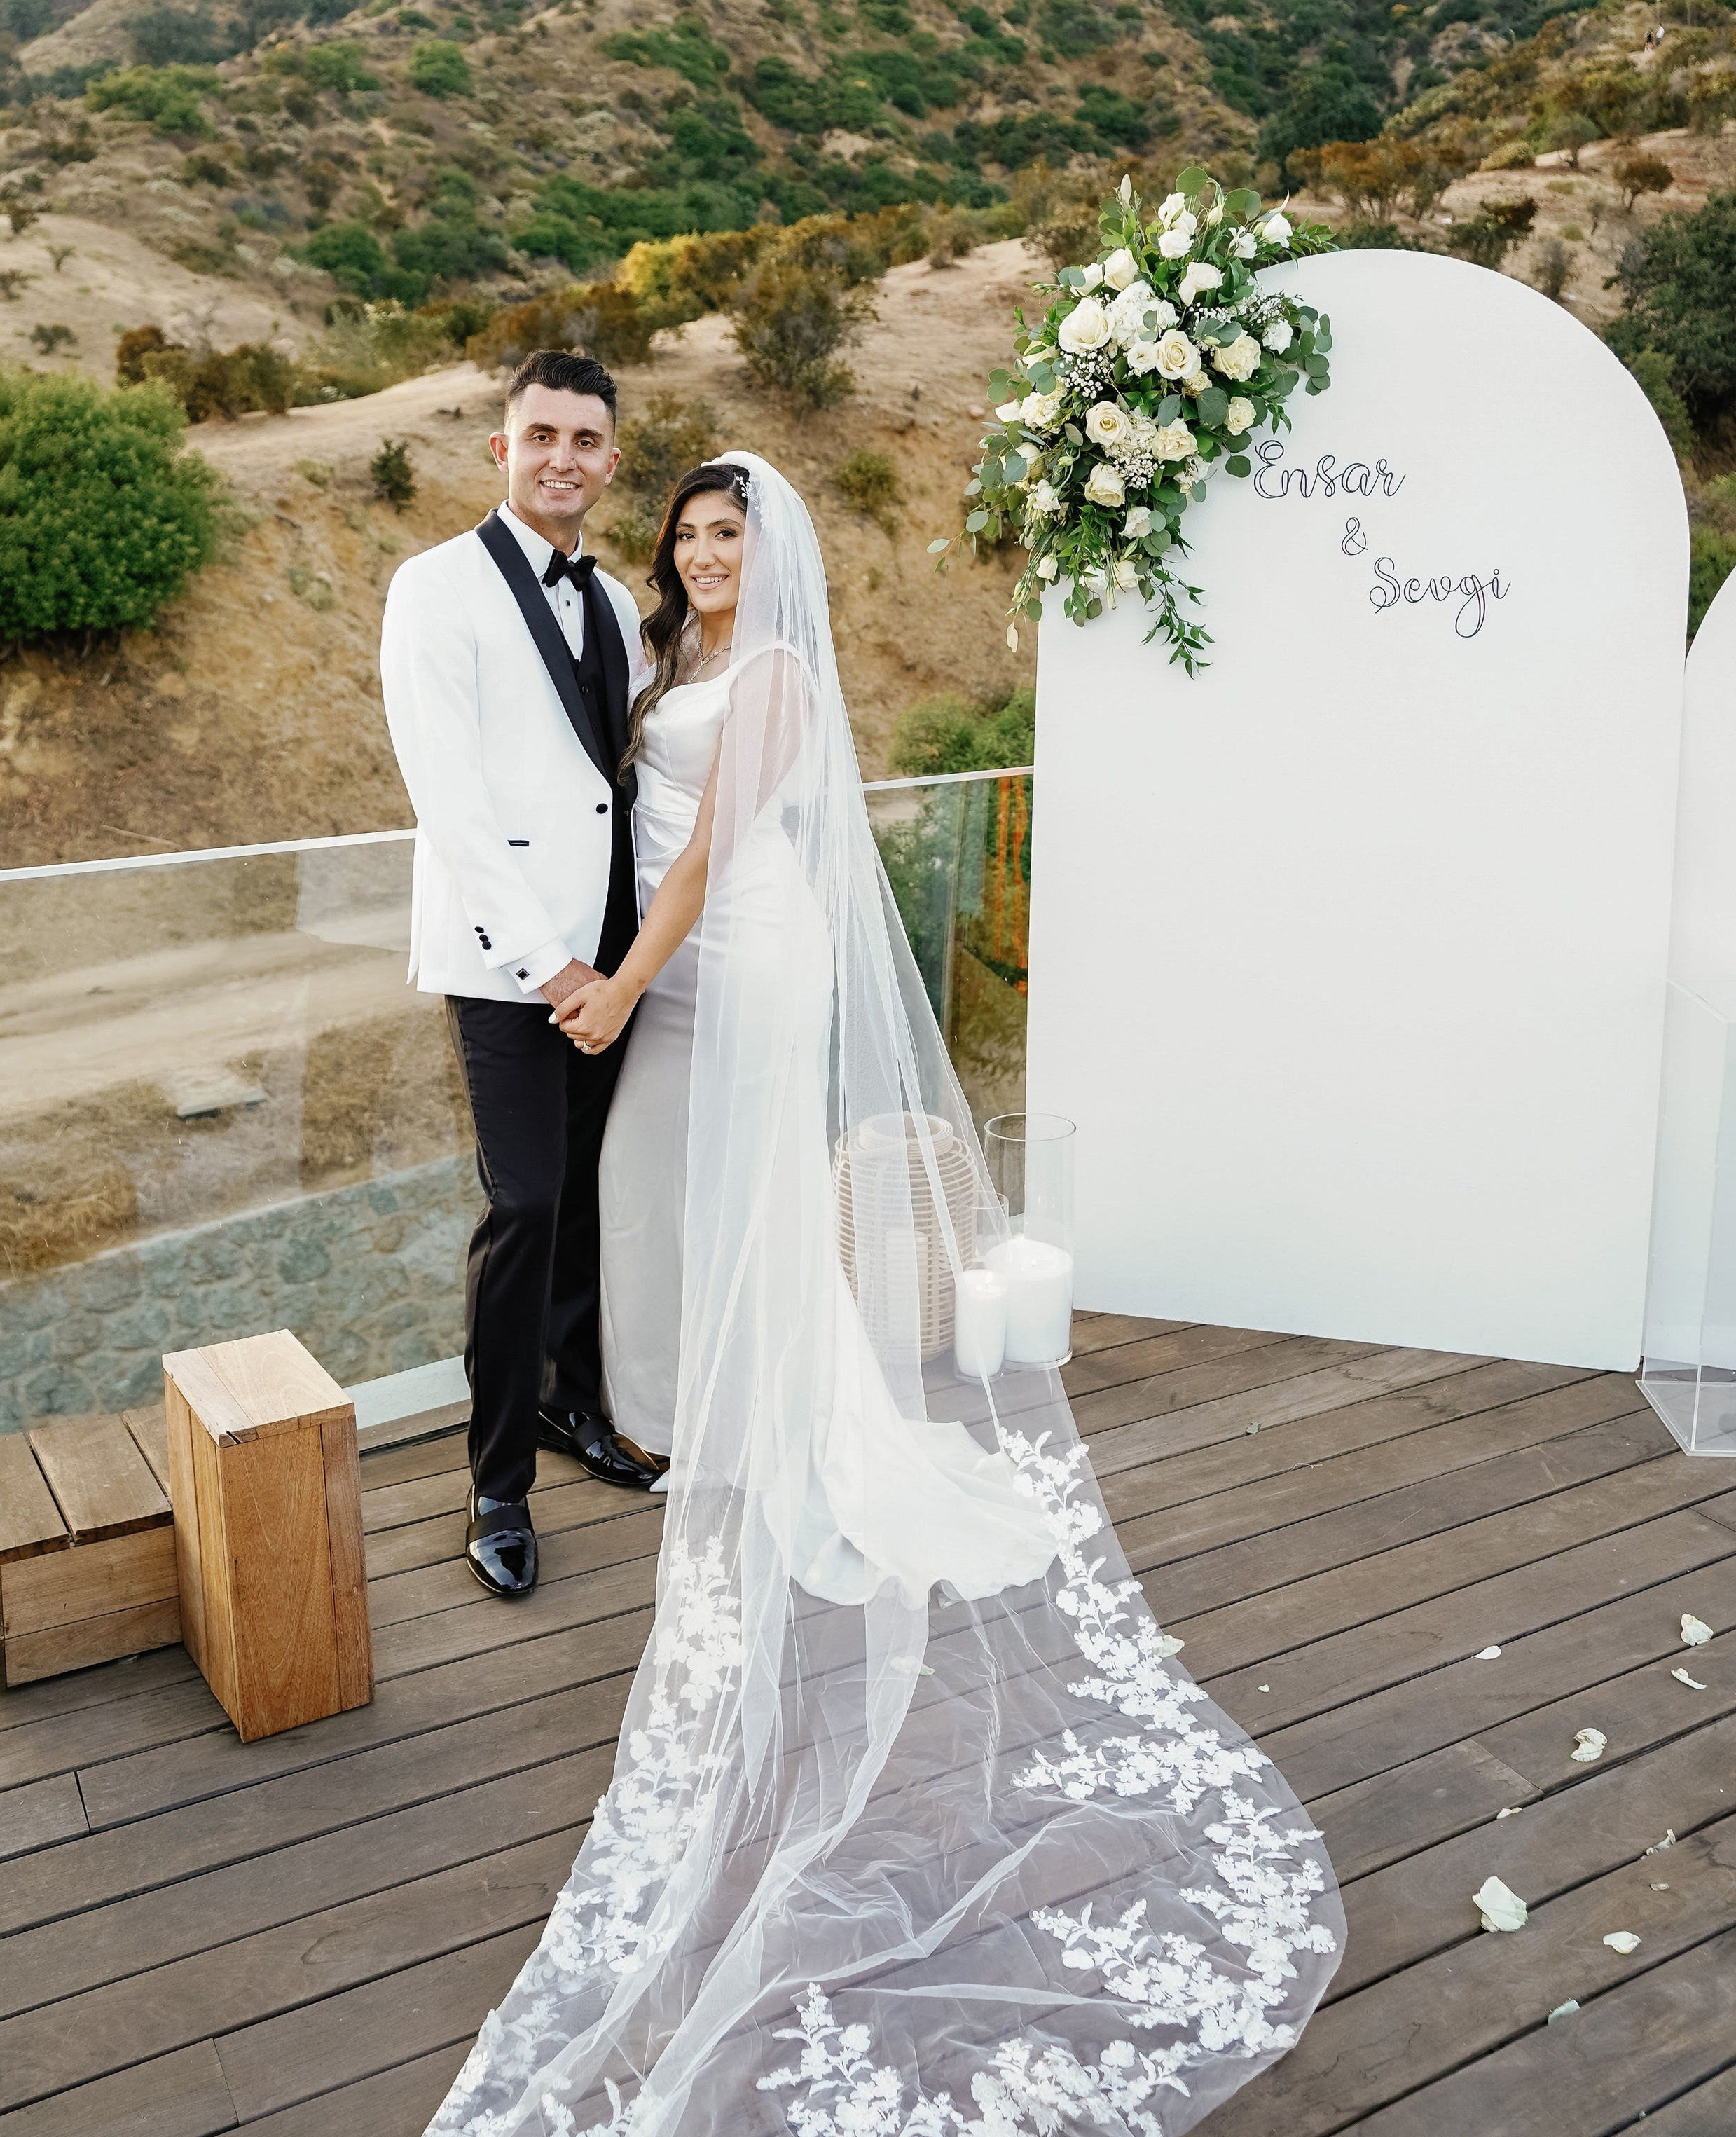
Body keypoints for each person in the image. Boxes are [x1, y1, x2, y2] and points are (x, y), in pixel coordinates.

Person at [428, 453, 1344, 2137]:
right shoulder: (664, 657)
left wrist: (627, 981)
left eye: (729, 533)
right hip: (670, 965)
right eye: (688, 534)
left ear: (770, 553)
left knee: (744, 1197)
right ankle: (710, 1405)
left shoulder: (768, 669)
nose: (704, 554)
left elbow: (706, 848)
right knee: (663, 1200)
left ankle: (786, 1424)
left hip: (735, 962)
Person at [380, 348, 656, 1605]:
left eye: (585, 440)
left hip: (616, 958)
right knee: (527, 1206)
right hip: (514, 970)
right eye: (540, 434)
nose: (563, 458)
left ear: (609, 458)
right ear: (503, 447)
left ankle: (573, 1405)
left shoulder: (614, 602)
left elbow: (624, 789)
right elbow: (454, 804)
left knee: (592, 1197)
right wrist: (554, 970)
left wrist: (632, 959)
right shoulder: (434, 589)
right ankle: (496, 1482)